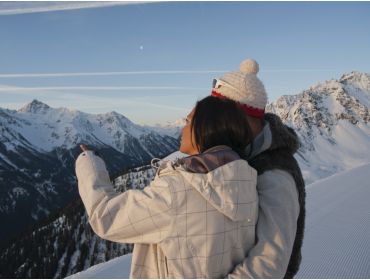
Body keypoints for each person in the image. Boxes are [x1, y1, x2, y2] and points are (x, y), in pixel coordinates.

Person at [75, 96, 260, 278]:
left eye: (188, 122)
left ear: (204, 128)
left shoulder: (178, 191)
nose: (183, 128)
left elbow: (106, 217)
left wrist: (89, 163)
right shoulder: (248, 184)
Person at [211, 59, 306, 278]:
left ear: (237, 115)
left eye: (217, 114)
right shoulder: (248, 154)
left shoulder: (275, 174)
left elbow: (268, 265)